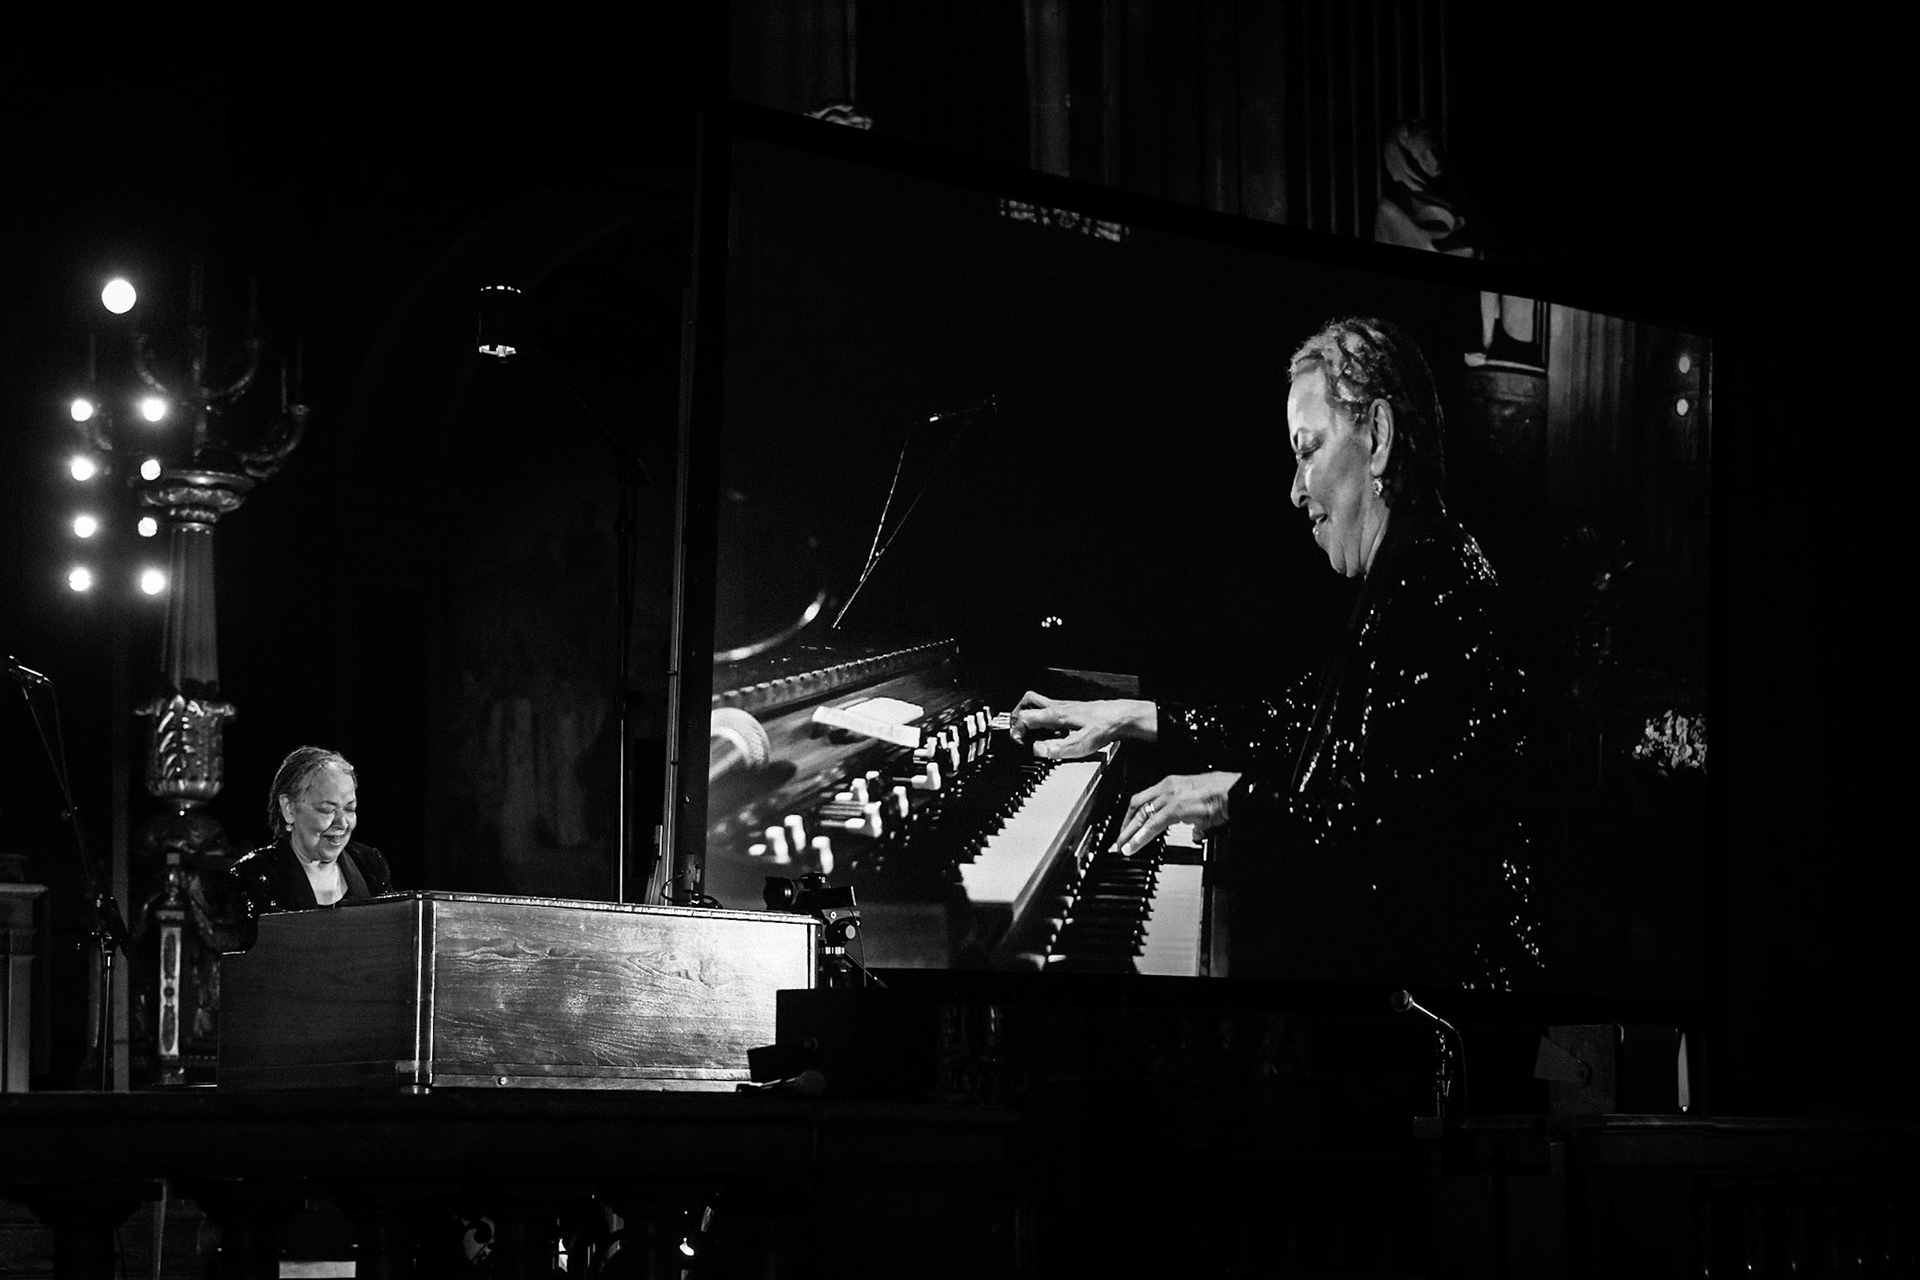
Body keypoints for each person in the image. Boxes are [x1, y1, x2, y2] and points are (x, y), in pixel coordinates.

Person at [1012, 317, 1544, 989]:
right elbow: (1303, 722)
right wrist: (1135, 716)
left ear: (1377, 438)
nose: (1296, 491)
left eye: (1309, 449)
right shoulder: (1412, 567)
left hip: (1447, 1016)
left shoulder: (1434, 586)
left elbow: (1392, 840)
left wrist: (1234, 798)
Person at [227, 747, 394, 945]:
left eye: (350, 809)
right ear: (289, 809)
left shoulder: (369, 863)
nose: (342, 823)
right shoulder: (256, 873)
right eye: (326, 810)